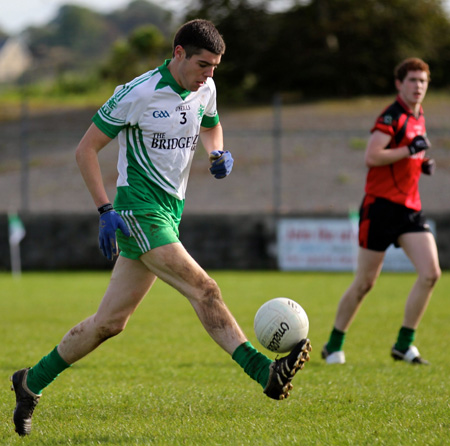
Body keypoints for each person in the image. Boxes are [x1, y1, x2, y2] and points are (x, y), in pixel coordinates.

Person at [10, 19, 312, 436]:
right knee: (204, 289)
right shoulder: (137, 94)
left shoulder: (205, 87)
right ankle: (264, 373)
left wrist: (218, 152)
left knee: (109, 323)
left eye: (215, 67)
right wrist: (104, 209)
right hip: (137, 210)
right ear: (178, 54)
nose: (209, 74)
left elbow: (211, 125)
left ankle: (29, 382)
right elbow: (86, 150)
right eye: (202, 64)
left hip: (170, 212)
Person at [322, 58, 441, 366]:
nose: (419, 86)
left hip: (410, 209)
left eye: (423, 81)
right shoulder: (392, 115)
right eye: (413, 80)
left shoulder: (419, 115)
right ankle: (333, 345)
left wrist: (420, 162)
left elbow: (407, 152)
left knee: (431, 274)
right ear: (399, 84)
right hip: (380, 207)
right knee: (365, 283)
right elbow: (372, 156)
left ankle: (404, 344)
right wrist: (410, 151)